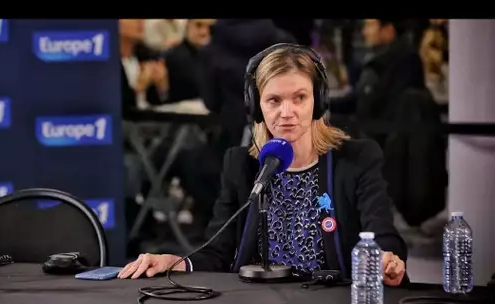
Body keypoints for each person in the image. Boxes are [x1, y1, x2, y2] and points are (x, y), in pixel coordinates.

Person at [119, 44, 409, 287]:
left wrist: (386, 258)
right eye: (273, 100)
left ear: (318, 102)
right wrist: (176, 262)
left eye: (300, 98)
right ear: (256, 107)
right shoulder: (241, 165)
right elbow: (219, 252)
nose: (287, 113)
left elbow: (382, 233)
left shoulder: (356, 159)